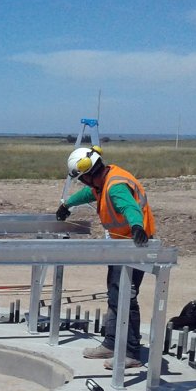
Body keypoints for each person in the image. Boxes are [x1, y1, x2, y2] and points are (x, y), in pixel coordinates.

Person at [56, 147, 156, 369]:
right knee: (115, 294)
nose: (84, 183)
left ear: (89, 173)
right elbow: (87, 194)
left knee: (126, 298)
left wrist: (137, 226)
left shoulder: (115, 186)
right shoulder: (103, 182)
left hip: (134, 246)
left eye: (83, 179)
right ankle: (111, 343)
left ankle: (131, 352)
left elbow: (129, 207)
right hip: (121, 246)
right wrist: (67, 205)